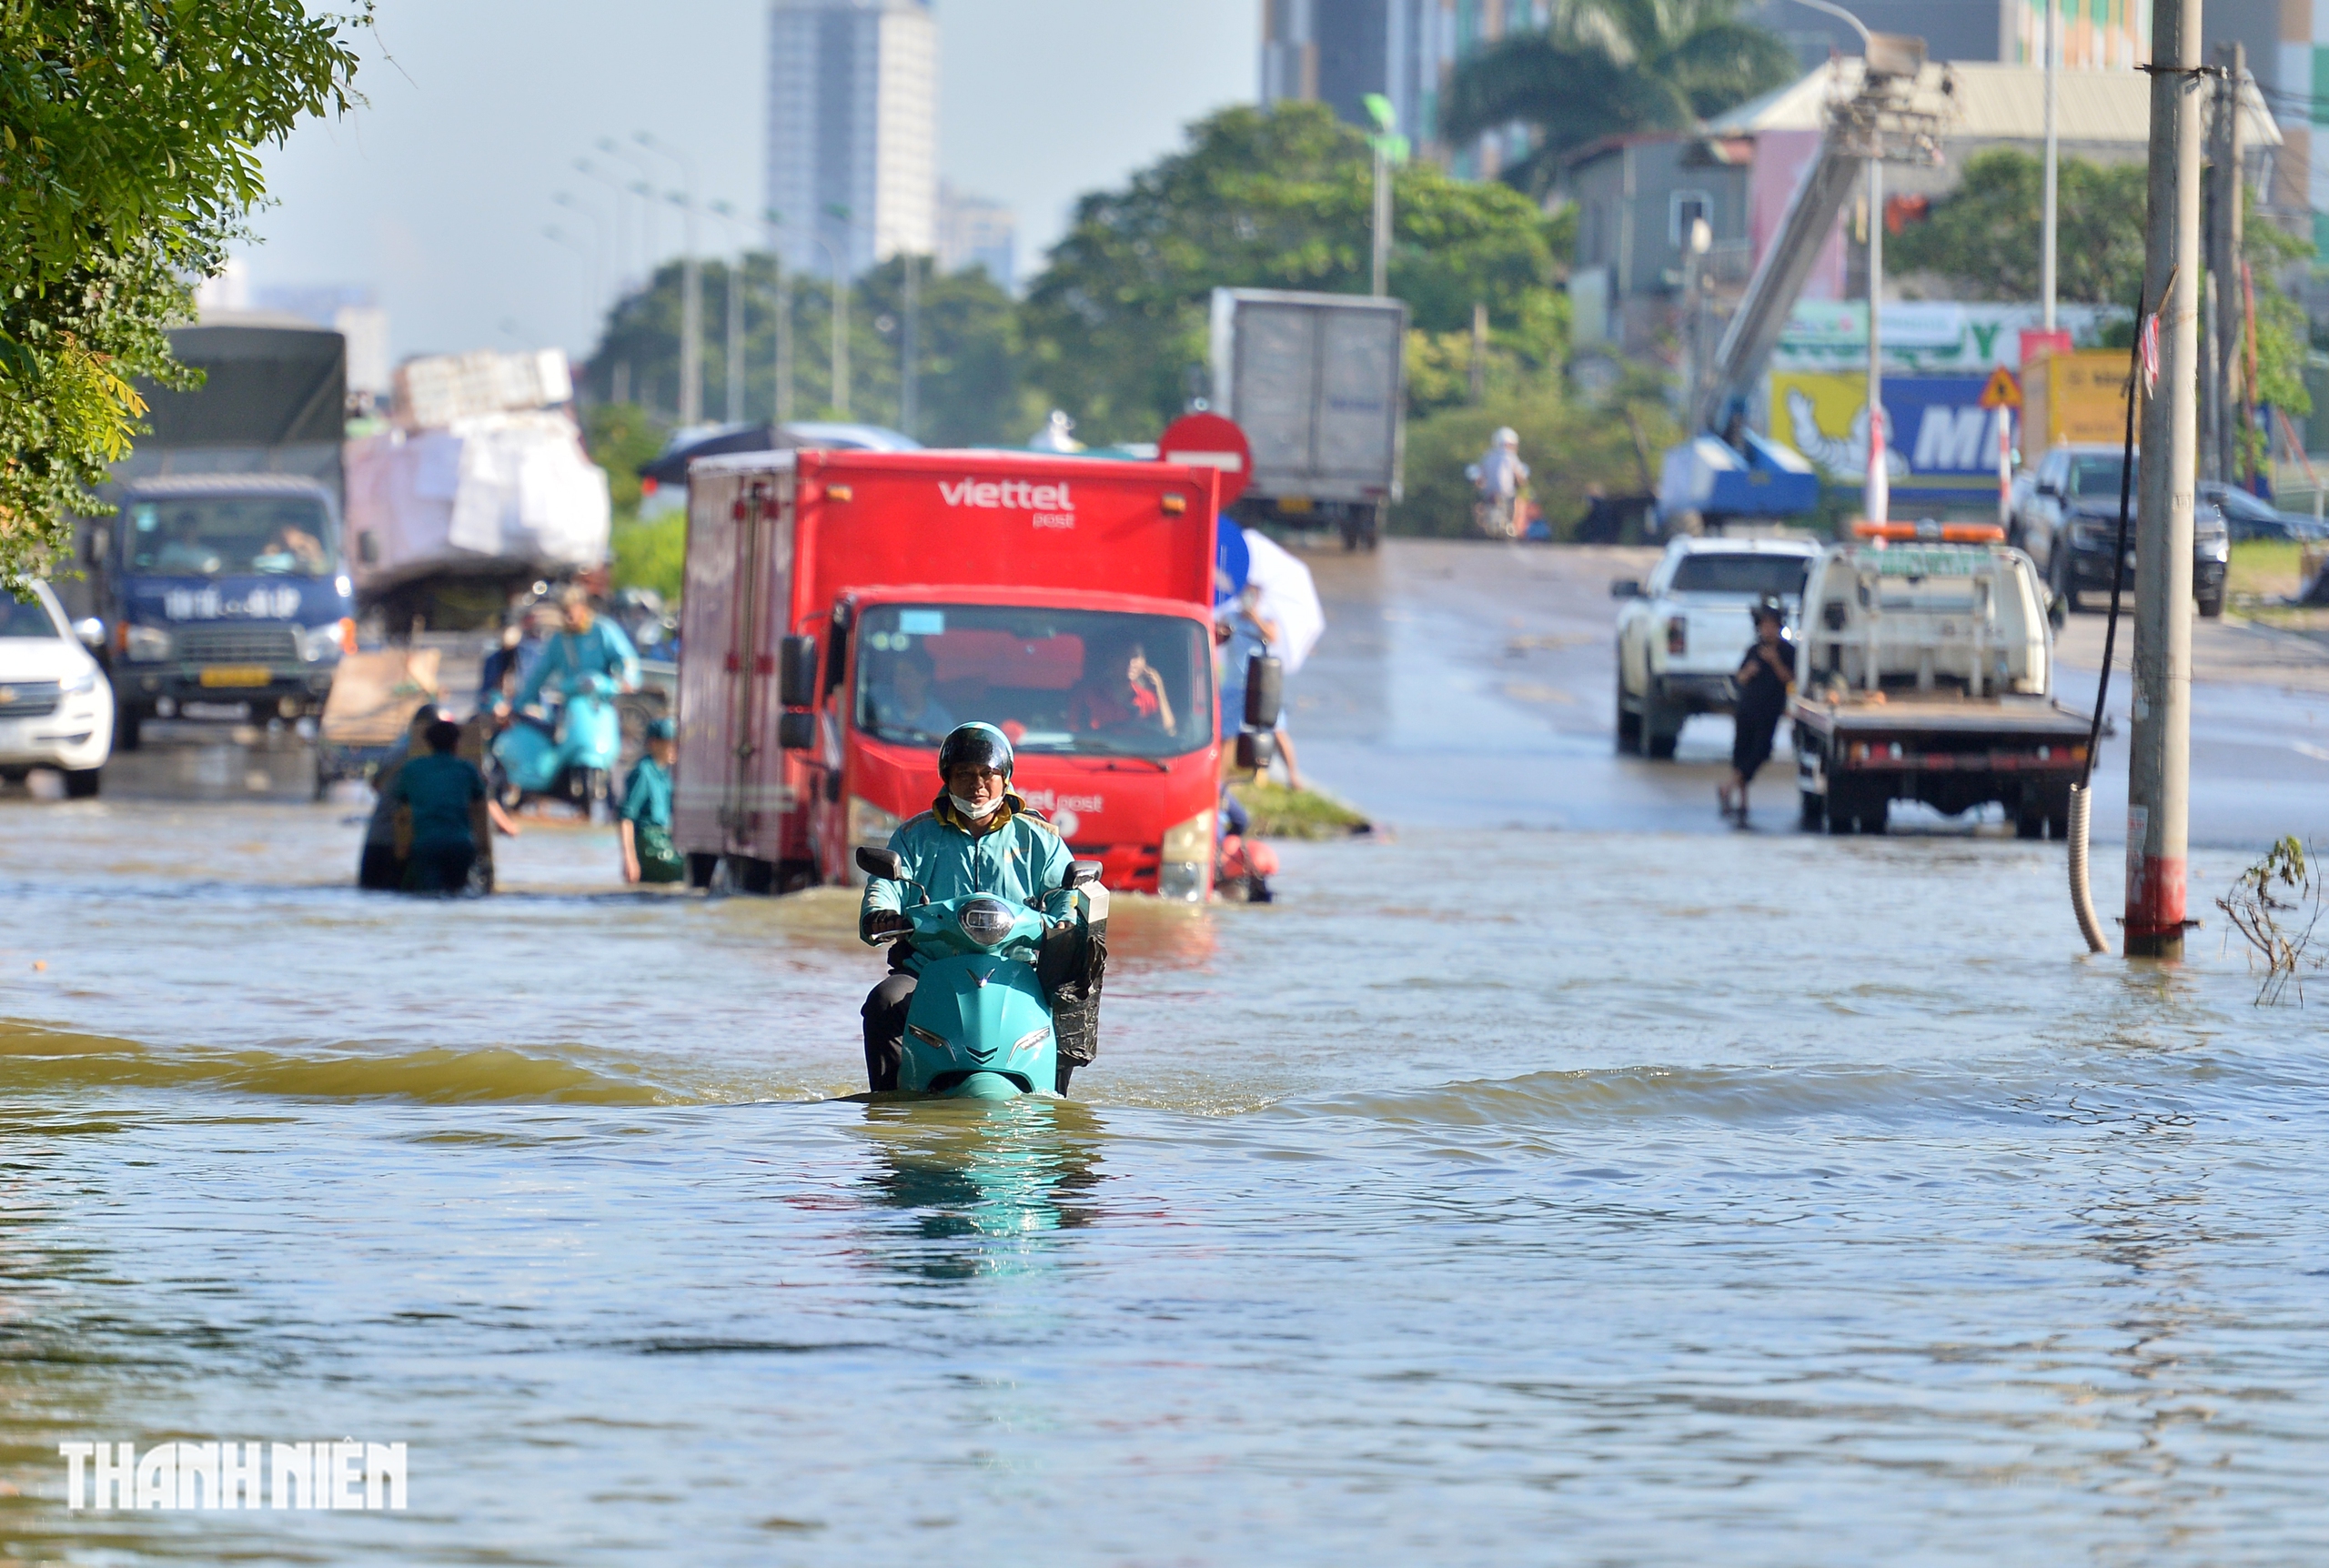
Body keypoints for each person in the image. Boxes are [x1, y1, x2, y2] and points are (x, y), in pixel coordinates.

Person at [858, 723, 1074, 1093]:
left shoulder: (1041, 838)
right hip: (928, 970)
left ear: (1005, 779)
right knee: (883, 1003)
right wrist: (880, 913)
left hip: (1019, 971)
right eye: (964, 774)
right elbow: (886, 887)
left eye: (988, 774)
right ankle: (890, 1101)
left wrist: (1068, 923)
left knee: (1069, 999)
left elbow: (1066, 893)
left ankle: (1054, 1096)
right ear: (947, 780)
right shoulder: (914, 837)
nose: (977, 784)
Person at [391, 718, 491, 893]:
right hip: (460, 844)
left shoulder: (412, 768)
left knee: (429, 894)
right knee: (456, 894)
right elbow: (479, 798)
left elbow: (401, 798)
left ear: (429, 744)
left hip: (426, 844)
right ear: (456, 743)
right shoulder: (466, 768)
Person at [506, 587, 640, 719]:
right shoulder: (559, 640)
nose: (568, 617)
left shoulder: (602, 630)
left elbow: (627, 658)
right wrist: (517, 705)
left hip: (602, 704)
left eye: (570, 610)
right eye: (564, 612)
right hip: (571, 708)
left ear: (582, 607)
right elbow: (539, 674)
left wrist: (628, 679)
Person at [1719, 598, 1797, 824]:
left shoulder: (1788, 651)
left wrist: (1775, 662)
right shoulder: (1754, 650)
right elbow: (1740, 677)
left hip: (1770, 711)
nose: (1768, 630)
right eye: (1764, 626)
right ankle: (1742, 799)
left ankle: (1728, 787)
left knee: (1761, 751)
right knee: (1741, 752)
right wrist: (1749, 672)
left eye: (1772, 626)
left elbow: (1790, 679)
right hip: (1747, 708)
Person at [358, 702, 444, 890]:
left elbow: (376, 785)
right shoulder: (439, 761)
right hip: (407, 845)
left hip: (378, 838)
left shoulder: (396, 752)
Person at [1065, 633, 1175, 736]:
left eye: (1136, 656)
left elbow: (1168, 731)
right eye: (1124, 656)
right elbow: (1073, 734)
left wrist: (1159, 689)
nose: (1130, 663)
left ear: (1144, 662)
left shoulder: (1147, 698)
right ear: (1111, 660)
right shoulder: (1087, 695)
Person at [620, 718, 684, 885]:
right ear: (654, 744)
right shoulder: (643, 772)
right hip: (649, 844)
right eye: (669, 743)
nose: (674, 749)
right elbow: (626, 818)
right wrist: (629, 859)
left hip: (665, 838)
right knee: (686, 872)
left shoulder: (666, 773)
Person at [867, 643, 956, 739]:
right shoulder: (877, 698)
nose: (898, 680)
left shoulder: (940, 721)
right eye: (897, 674)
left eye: (906, 675)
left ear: (924, 678)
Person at [1471, 427, 1530, 540]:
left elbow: (1479, 474)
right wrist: (1523, 483)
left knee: (1478, 505)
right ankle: (1513, 526)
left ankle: (1481, 525)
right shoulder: (1511, 457)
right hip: (1506, 492)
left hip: (1489, 491)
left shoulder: (1488, 456)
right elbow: (1519, 475)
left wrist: (1479, 484)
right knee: (1519, 501)